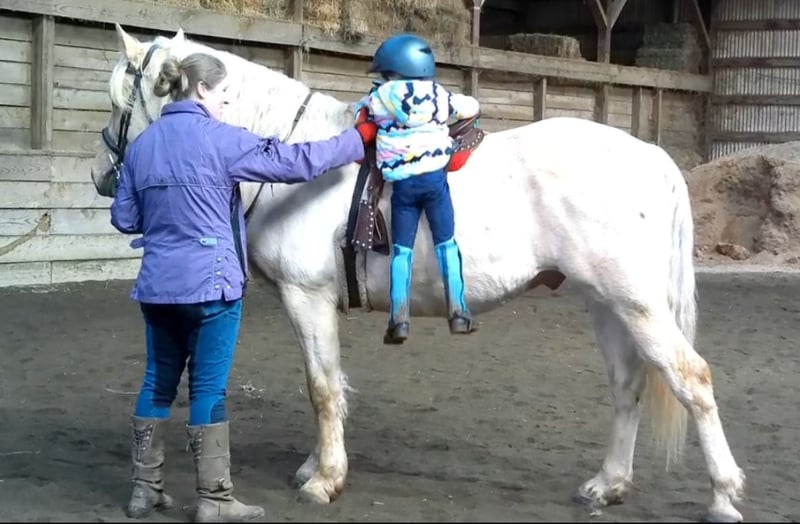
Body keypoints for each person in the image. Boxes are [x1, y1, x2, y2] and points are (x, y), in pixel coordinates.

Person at [110, 52, 376, 522]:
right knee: (208, 390)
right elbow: (295, 162)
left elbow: (124, 217)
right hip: (212, 285)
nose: (227, 101)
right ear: (201, 89)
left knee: (156, 383)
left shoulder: (142, 145)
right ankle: (214, 499)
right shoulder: (224, 139)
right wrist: (357, 140)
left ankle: (144, 491)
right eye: (223, 93)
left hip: (156, 286)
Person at [355, 33, 480, 345]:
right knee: (447, 244)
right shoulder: (439, 94)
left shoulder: (379, 98)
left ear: (393, 71)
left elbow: (360, 115)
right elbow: (467, 107)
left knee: (402, 251)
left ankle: (399, 319)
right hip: (435, 182)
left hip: (403, 187)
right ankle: (459, 312)